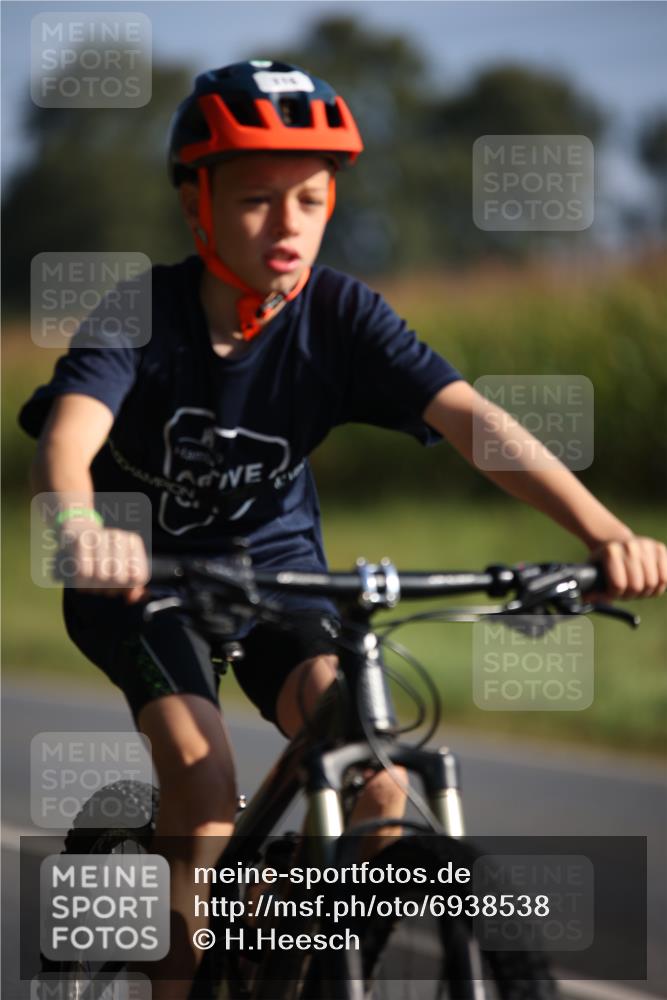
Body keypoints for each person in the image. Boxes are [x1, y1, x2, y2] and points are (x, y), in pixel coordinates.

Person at [19, 59, 667, 999]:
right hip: (144, 580)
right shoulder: (140, 311)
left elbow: (474, 424)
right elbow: (68, 441)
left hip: (281, 575)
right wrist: (83, 526)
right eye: (255, 201)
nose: (287, 225)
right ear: (197, 205)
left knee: (378, 784)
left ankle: (303, 955)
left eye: (311, 200)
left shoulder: (341, 314)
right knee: (201, 774)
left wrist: (603, 532)